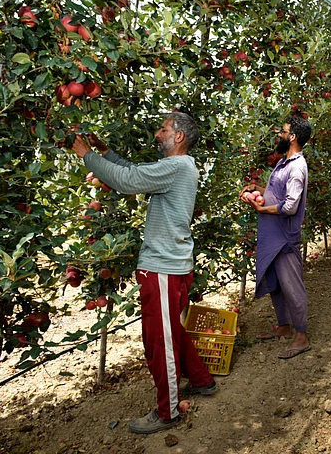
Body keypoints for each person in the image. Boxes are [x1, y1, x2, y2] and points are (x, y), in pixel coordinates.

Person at [66, 112, 217, 435]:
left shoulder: (177, 166)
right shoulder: (179, 168)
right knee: (171, 333)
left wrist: (86, 155)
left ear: (178, 137)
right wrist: (106, 154)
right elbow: (135, 173)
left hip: (163, 268)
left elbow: (127, 182)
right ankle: (202, 381)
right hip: (171, 266)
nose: (157, 133)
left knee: (159, 343)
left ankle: (169, 412)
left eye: (163, 129)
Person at [240, 115, 312, 360]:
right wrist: (256, 190)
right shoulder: (283, 163)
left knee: (292, 286)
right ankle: (284, 325)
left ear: (292, 137)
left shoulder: (296, 167)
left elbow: (290, 206)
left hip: (285, 238)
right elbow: (274, 194)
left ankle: (301, 335)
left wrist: (261, 209)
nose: (279, 135)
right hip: (272, 237)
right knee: (277, 285)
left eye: (282, 131)